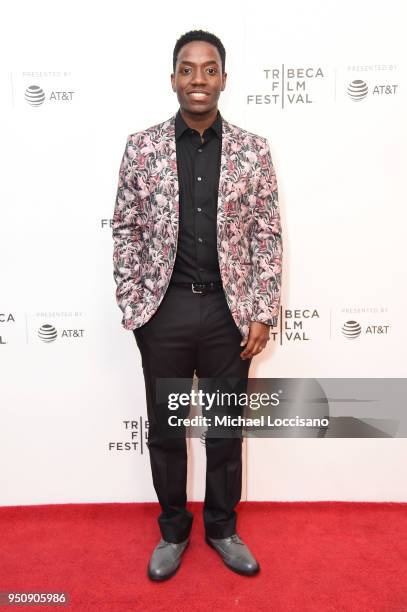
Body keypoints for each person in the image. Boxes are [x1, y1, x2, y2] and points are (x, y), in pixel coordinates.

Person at [112, 29, 282, 581]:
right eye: (188, 69)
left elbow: (266, 235)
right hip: (164, 313)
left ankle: (222, 528)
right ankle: (172, 531)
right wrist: (136, 308)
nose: (199, 80)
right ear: (173, 79)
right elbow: (126, 230)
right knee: (166, 430)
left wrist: (262, 310)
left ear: (224, 79)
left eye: (210, 69)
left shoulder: (254, 150)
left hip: (228, 317)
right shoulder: (142, 147)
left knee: (225, 430)